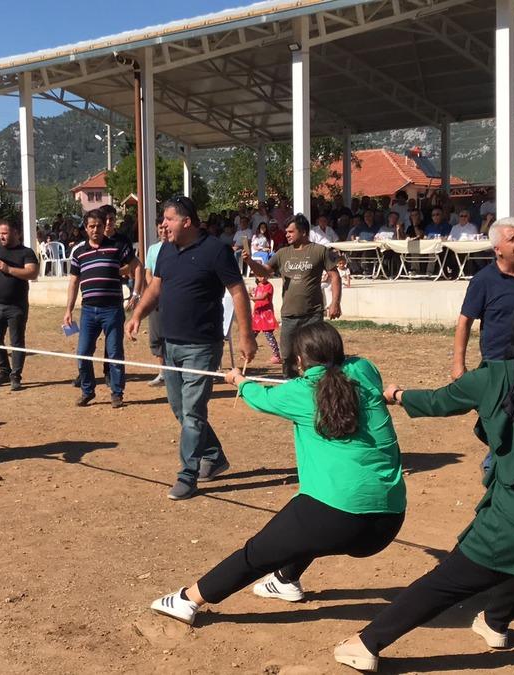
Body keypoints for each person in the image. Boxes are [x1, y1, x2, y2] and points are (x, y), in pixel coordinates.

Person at [334, 290, 514, 672]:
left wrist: (398, 394)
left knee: (451, 579)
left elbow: (440, 400)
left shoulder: (492, 378)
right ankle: (494, 622)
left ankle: (367, 642)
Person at [150, 322, 405, 623]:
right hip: (389, 519)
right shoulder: (364, 370)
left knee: (257, 553)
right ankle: (286, 580)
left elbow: (261, 399)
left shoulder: (300, 392)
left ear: (299, 362)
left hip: (337, 519)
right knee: (307, 519)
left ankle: (187, 600)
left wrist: (239, 381)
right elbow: (352, 370)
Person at [126, 195, 254, 500]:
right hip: (171, 343)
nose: (163, 225)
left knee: (193, 412)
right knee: (180, 409)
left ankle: (188, 474)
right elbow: (156, 287)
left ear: (187, 221)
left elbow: (237, 292)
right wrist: (137, 315)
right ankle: (214, 456)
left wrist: (247, 335)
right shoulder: (166, 251)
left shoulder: (215, 250)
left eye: (168, 219)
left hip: (202, 346)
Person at [244, 214, 341, 378]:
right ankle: (290, 386)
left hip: (313, 314)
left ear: (303, 232)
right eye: (286, 231)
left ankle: (315, 386)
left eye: (291, 231)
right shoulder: (282, 253)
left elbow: (335, 276)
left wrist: (335, 303)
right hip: (289, 315)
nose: (287, 234)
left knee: (314, 355)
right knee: (287, 356)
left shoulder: (319, 251)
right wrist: (251, 263)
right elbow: (264, 272)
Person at [451, 218, 514, 379]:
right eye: (512, 239)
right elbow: (464, 322)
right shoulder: (483, 280)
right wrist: (458, 364)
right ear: (498, 249)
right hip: (498, 365)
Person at [64, 209, 143, 409]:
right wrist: (68, 310)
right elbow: (74, 282)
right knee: (83, 353)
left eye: (99, 225)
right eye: (92, 226)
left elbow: (136, 266)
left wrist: (135, 294)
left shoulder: (117, 246)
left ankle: (117, 393)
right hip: (88, 311)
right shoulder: (79, 252)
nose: (96, 229)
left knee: (115, 353)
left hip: (112, 310)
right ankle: (88, 391)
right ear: (85, 228)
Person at [0, 219, 38, 391]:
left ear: (16, 233)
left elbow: (32, 272)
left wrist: (8, 269)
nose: (2, 236)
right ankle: (4, 371)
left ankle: (15, 376)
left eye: (5, 233)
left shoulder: (26, 252)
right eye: (0, 233)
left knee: (16, 341)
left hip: (16, 306)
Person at [144, 218, 169, 388]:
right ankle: (162, 373)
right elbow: (148, 272)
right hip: (156, 299)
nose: (162, 231)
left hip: (172, 298)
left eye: (165, 228)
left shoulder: (176, 248)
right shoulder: (152, 249)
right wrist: (154, 289)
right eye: (160, 228)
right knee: (157, 336)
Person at [250, 272, 282, 365]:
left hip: (266, 314)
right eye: (260, 275)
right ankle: (248, 352)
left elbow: (263, 297)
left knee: (269, 336)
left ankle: (277, 356)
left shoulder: (269, 286)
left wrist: (252, 298)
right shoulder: (258, 286)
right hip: (258, 314)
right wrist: (252, 295)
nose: (263, 277)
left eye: (264, 275)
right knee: (252, 335)